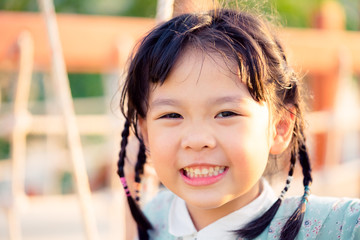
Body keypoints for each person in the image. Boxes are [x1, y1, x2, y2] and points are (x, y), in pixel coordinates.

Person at [117, 8, 360, 240]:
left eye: (225, 113)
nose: (197, 140)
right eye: (172, 115)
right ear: (145, 133)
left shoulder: (333, 227)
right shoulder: (153, 217)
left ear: (280, 127)